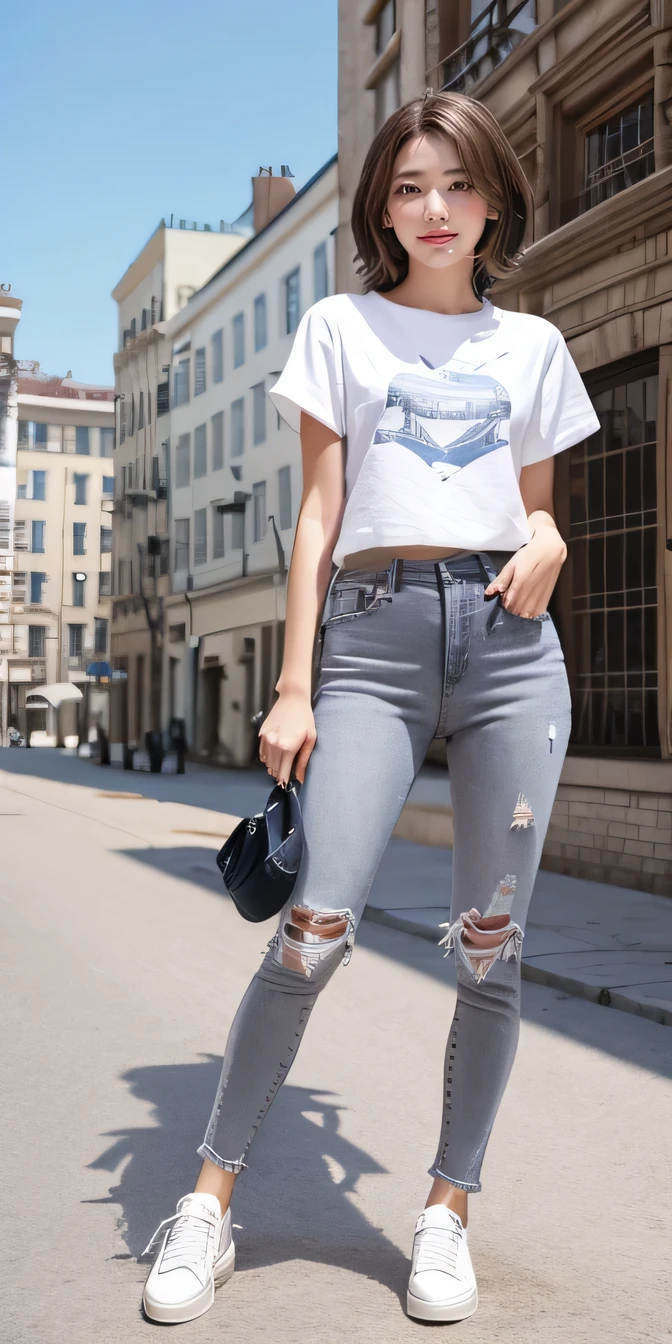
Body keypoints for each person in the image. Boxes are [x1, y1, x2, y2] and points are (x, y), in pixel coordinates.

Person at [141, 91, 599, 1326]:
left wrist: (550, 536)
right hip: (374, 642)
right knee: (315, 929)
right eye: (408, 187)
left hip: (509, 647)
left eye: (455, 184)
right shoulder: (342, 327)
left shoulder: (534, 348)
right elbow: (318, 518)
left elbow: (538, 507)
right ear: (381, 211)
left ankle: (448, 1211)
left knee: (491, 955)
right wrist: (292, 685)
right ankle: (207, 1203)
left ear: (495, 197)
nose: (434, 207)